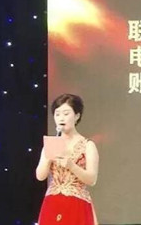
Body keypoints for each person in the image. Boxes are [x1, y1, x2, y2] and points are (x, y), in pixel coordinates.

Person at [36, 94, 100, 225]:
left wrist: (72, 166)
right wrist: (48, 158)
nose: (61, 118)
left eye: (66, 114)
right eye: (57, 114)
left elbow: (92, 179)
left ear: (77, 116)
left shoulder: (88, 145)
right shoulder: (51, 143)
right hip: (52, 202)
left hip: (77, 203)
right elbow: (40, 176)